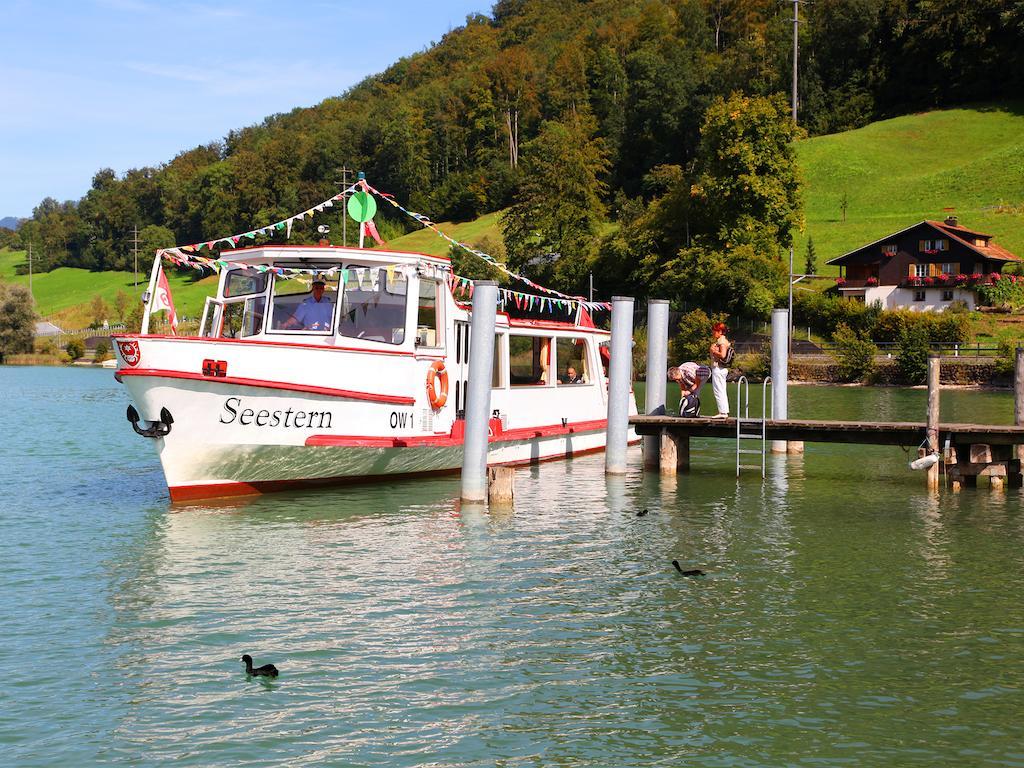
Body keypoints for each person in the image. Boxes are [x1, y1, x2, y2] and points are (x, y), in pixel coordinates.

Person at [708, 322, 732, 419]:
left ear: (720, 331)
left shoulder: (721, 341)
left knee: (718, 390)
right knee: (721, 390)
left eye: (715, 331)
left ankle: (722, 412)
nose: (713, 333)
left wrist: (713, 351)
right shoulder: (722, 340)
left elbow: (723, 355)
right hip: (721, 369)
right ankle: (724, 411)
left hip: (718, 368)